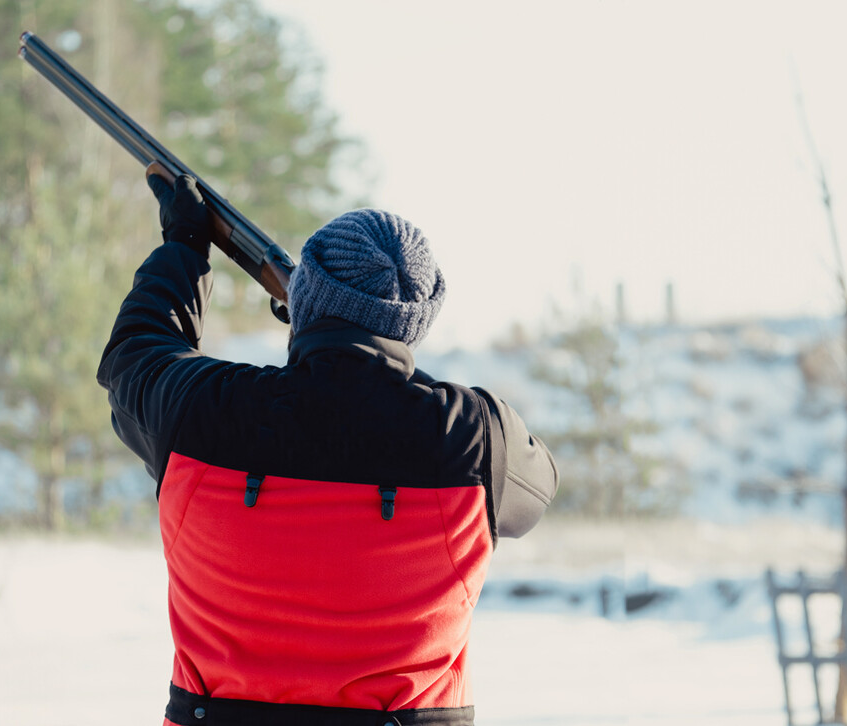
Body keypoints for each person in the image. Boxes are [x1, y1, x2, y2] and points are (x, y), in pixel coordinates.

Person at [98, 172, 560, 726]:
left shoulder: (202, 410)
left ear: (305, 302)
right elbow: (541, 485)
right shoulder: (475, 436)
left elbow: (135, 352)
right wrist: (388, 365)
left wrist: (184, 247)